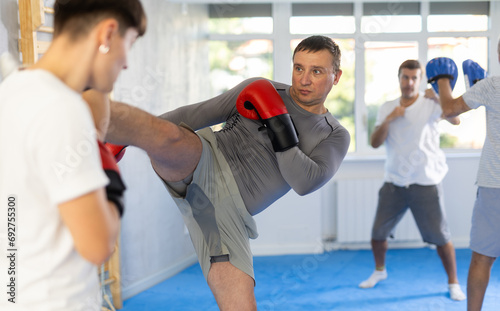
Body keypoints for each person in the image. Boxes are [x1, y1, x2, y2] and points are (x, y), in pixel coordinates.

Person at [102, 35, 350, 310]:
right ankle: (106, 128)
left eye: (316, 71)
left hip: (227, 216)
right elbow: (196, 115)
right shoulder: (262, 88)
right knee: (171, 139)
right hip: (206, 161)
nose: (303, 79)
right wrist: (126, 137)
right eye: (299, 68)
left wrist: (279, 125)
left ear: (336, 76)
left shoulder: (335, 135)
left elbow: (305, 182)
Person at [0, 1, 146, 310]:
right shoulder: (62, 108)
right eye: (129, 43)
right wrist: (110, 174)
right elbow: (99, 245)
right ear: (107, 34)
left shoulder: (11, 92)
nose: (127, 63)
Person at [358, 59, 466, 301]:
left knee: (441, 238)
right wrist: (390, 119)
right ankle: (379, 271)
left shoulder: (430, 103)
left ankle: (453, 283)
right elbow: (375, 142)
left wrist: (439, 97)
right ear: (399, 79)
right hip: (394, 182)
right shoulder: (387, 107)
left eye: (414, 78)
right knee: (377, 234)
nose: (409, 83)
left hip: (425, 182)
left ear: (420, 80)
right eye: (405, 77)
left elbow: (456, 120)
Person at [429, 45, 499, 311]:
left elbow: (449, 110)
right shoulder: (488, 88)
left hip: (495, 186)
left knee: (482, 258)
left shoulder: (492, 87)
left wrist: (442, 80)